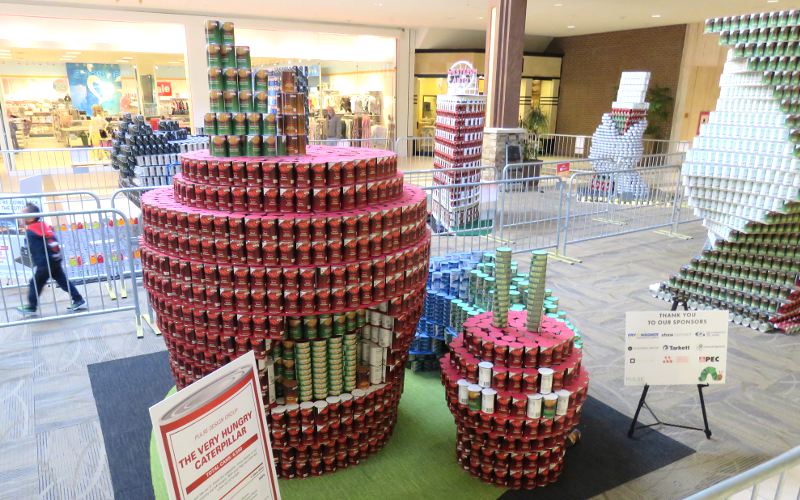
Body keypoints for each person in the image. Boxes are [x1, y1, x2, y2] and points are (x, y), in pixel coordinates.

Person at [16, 203, 85, 314]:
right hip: (54, 259)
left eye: (23, 214)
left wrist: (40, 267)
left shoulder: (31, 232)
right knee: (63, 281)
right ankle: (78, 299)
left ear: (31, 218)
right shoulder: (42, 225)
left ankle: (31, 307)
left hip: (45, 264)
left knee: (34, 283)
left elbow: (37, 251)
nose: (20, 216)